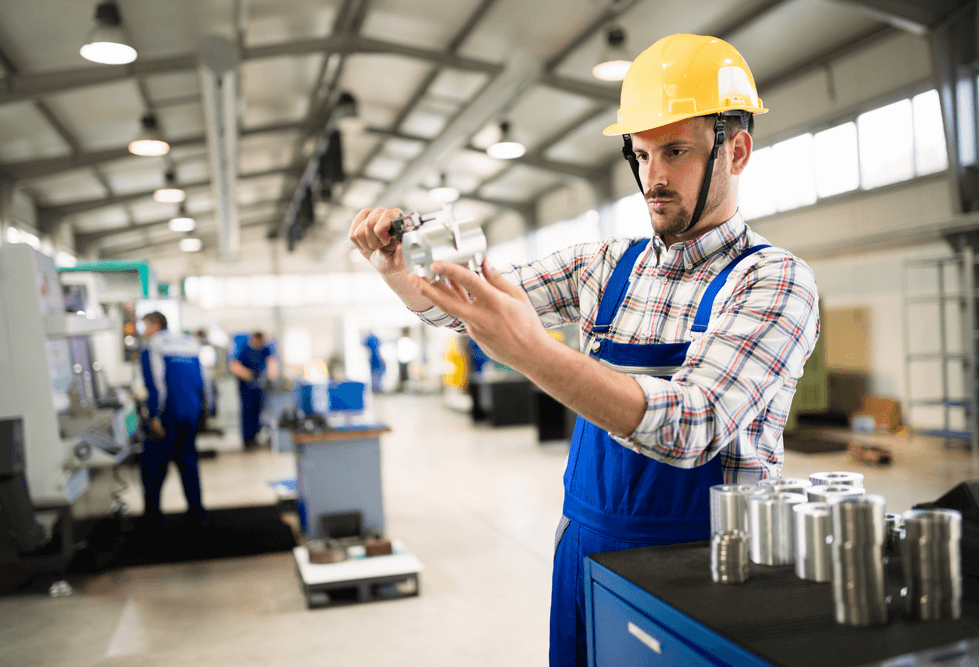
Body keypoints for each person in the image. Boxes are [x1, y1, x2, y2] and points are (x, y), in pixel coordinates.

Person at [348, 34, 820, 667]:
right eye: (642, 152)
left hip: (712, 567)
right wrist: (398, 268)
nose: (653, 176)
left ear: (735, 151)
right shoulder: (603, 266)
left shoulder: (773, 280)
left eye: (675, 151)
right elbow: (469, 305)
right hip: (588, 550)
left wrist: (534, 353)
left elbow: (693, 424)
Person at [139, 311, 209, 529]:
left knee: (154, 466)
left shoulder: (154, 345)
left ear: (155, 324)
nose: (144, 331)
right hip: (191, 412)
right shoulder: (189, 342)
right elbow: (204, 380)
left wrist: (153, 414)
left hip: (168, 413)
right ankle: (196, 513)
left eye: (145, 325)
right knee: (188, 462)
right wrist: (205, 410)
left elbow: (156, 383)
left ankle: (152, 518)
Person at [229, 331, 278, 450]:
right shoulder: (244, 350)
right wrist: (248, 375)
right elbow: (234, 365)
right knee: (247, 412)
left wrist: (272, 376)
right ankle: (247, 440)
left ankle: (255, 437)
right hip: (246, 387)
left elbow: (271, 362)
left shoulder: (265, 349)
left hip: (259, 386)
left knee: (258, 411)